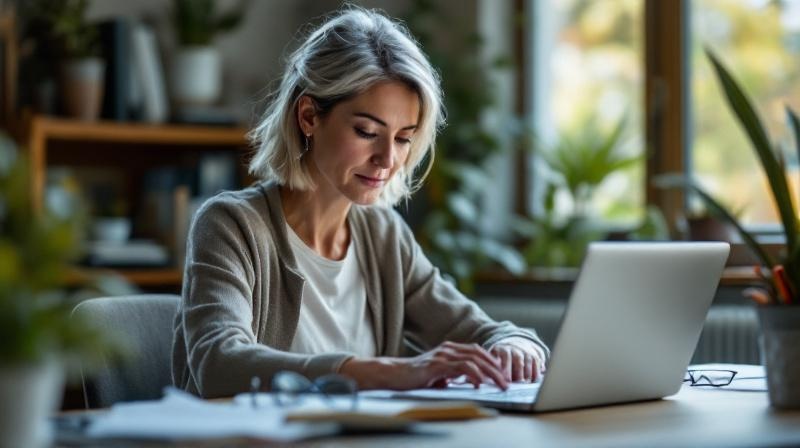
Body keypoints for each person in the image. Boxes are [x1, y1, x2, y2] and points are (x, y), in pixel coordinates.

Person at [172, 6, 549, 398]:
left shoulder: (383, 236)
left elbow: (485, 331)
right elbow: (219, 363)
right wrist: (386, 372)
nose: (388, 159)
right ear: (308, 117)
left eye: (404, 138)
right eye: (367, 131)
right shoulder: (230, 225)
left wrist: (515, 347)